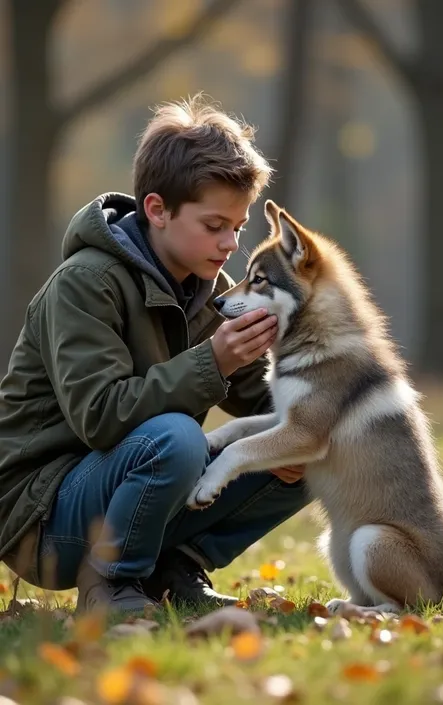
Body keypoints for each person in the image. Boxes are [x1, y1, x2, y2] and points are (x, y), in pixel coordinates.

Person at [0, 95, 309, 614]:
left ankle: (173, 571)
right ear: (157, 210)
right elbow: (99, 418)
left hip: (137, 485)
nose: (231, 242)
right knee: (177, 438)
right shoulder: (85, 283)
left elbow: (267, 405)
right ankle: (109, 584)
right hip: (45, 517)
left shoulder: (215, 294)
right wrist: (216, 362)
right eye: (214, 226)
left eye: (238, 226)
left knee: (313, 438)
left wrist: (301, 435)